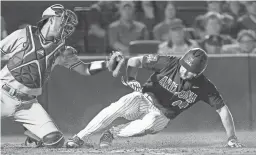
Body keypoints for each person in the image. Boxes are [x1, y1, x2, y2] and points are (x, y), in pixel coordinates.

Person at [66, 48, 244, 149]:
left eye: (190, 72)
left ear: (199, 73)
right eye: (184, 67)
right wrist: (131, 78)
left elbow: (222, 110)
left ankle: (111, 134)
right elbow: (135, 61)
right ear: (182, 60)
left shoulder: (204, 86)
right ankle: (80, 137)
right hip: (144, 99)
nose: (184, 72)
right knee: (118, 105)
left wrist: (232, 137)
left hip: (162, 116)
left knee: (149, 124)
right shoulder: (169, 62)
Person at [0, 4, 123, 148]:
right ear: (51, 20)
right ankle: (33, 133)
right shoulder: (22, 34)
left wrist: (107, 64)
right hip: (3, 93)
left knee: (55, 141)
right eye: (63, 20)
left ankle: (33, 136)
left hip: (27, 105)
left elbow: (85, 69)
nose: (67, 26)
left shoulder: (61, 50)